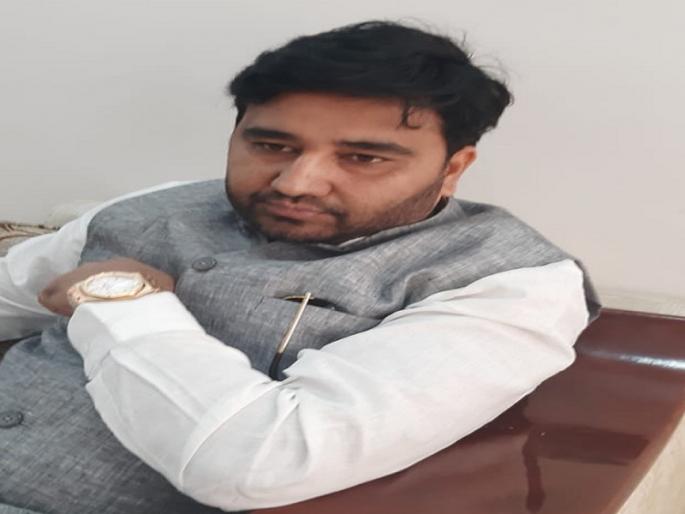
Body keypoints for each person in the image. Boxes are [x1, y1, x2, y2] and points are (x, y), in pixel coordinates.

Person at [0, 21, 599, 514]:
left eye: (363, 158)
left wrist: (124, 301)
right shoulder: (163, 203)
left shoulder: (510, 286)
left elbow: (250, 463)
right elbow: (14, 294)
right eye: (271, 146)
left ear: (453, 168)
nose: (296, 183)